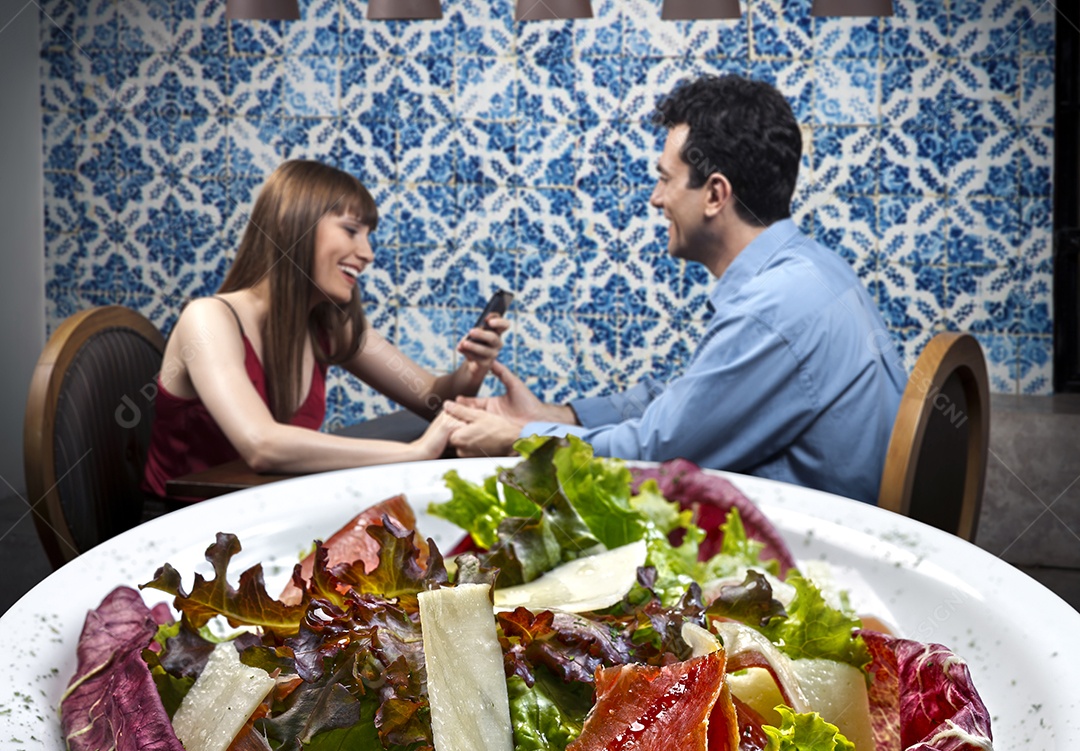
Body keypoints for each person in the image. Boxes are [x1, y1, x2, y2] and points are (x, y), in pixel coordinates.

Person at [441, 74, 907, 505]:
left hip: (811, 545)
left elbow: (654, 457)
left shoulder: (774, 308)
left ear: (715, 194)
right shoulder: (811, 271)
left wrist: (519, 441)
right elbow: (694, 402)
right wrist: (556, 416)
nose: (656, 198)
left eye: (665, 179)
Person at [143, 159, 508, 501]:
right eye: (351, 230)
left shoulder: (327, 325)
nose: (367, 253)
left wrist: (472, 369)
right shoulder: (209, 319)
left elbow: (431, 399)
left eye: (368, 235)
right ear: (291, 225)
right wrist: (414, 453)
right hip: (182, 527)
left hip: (267, 511)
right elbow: (261, 445)